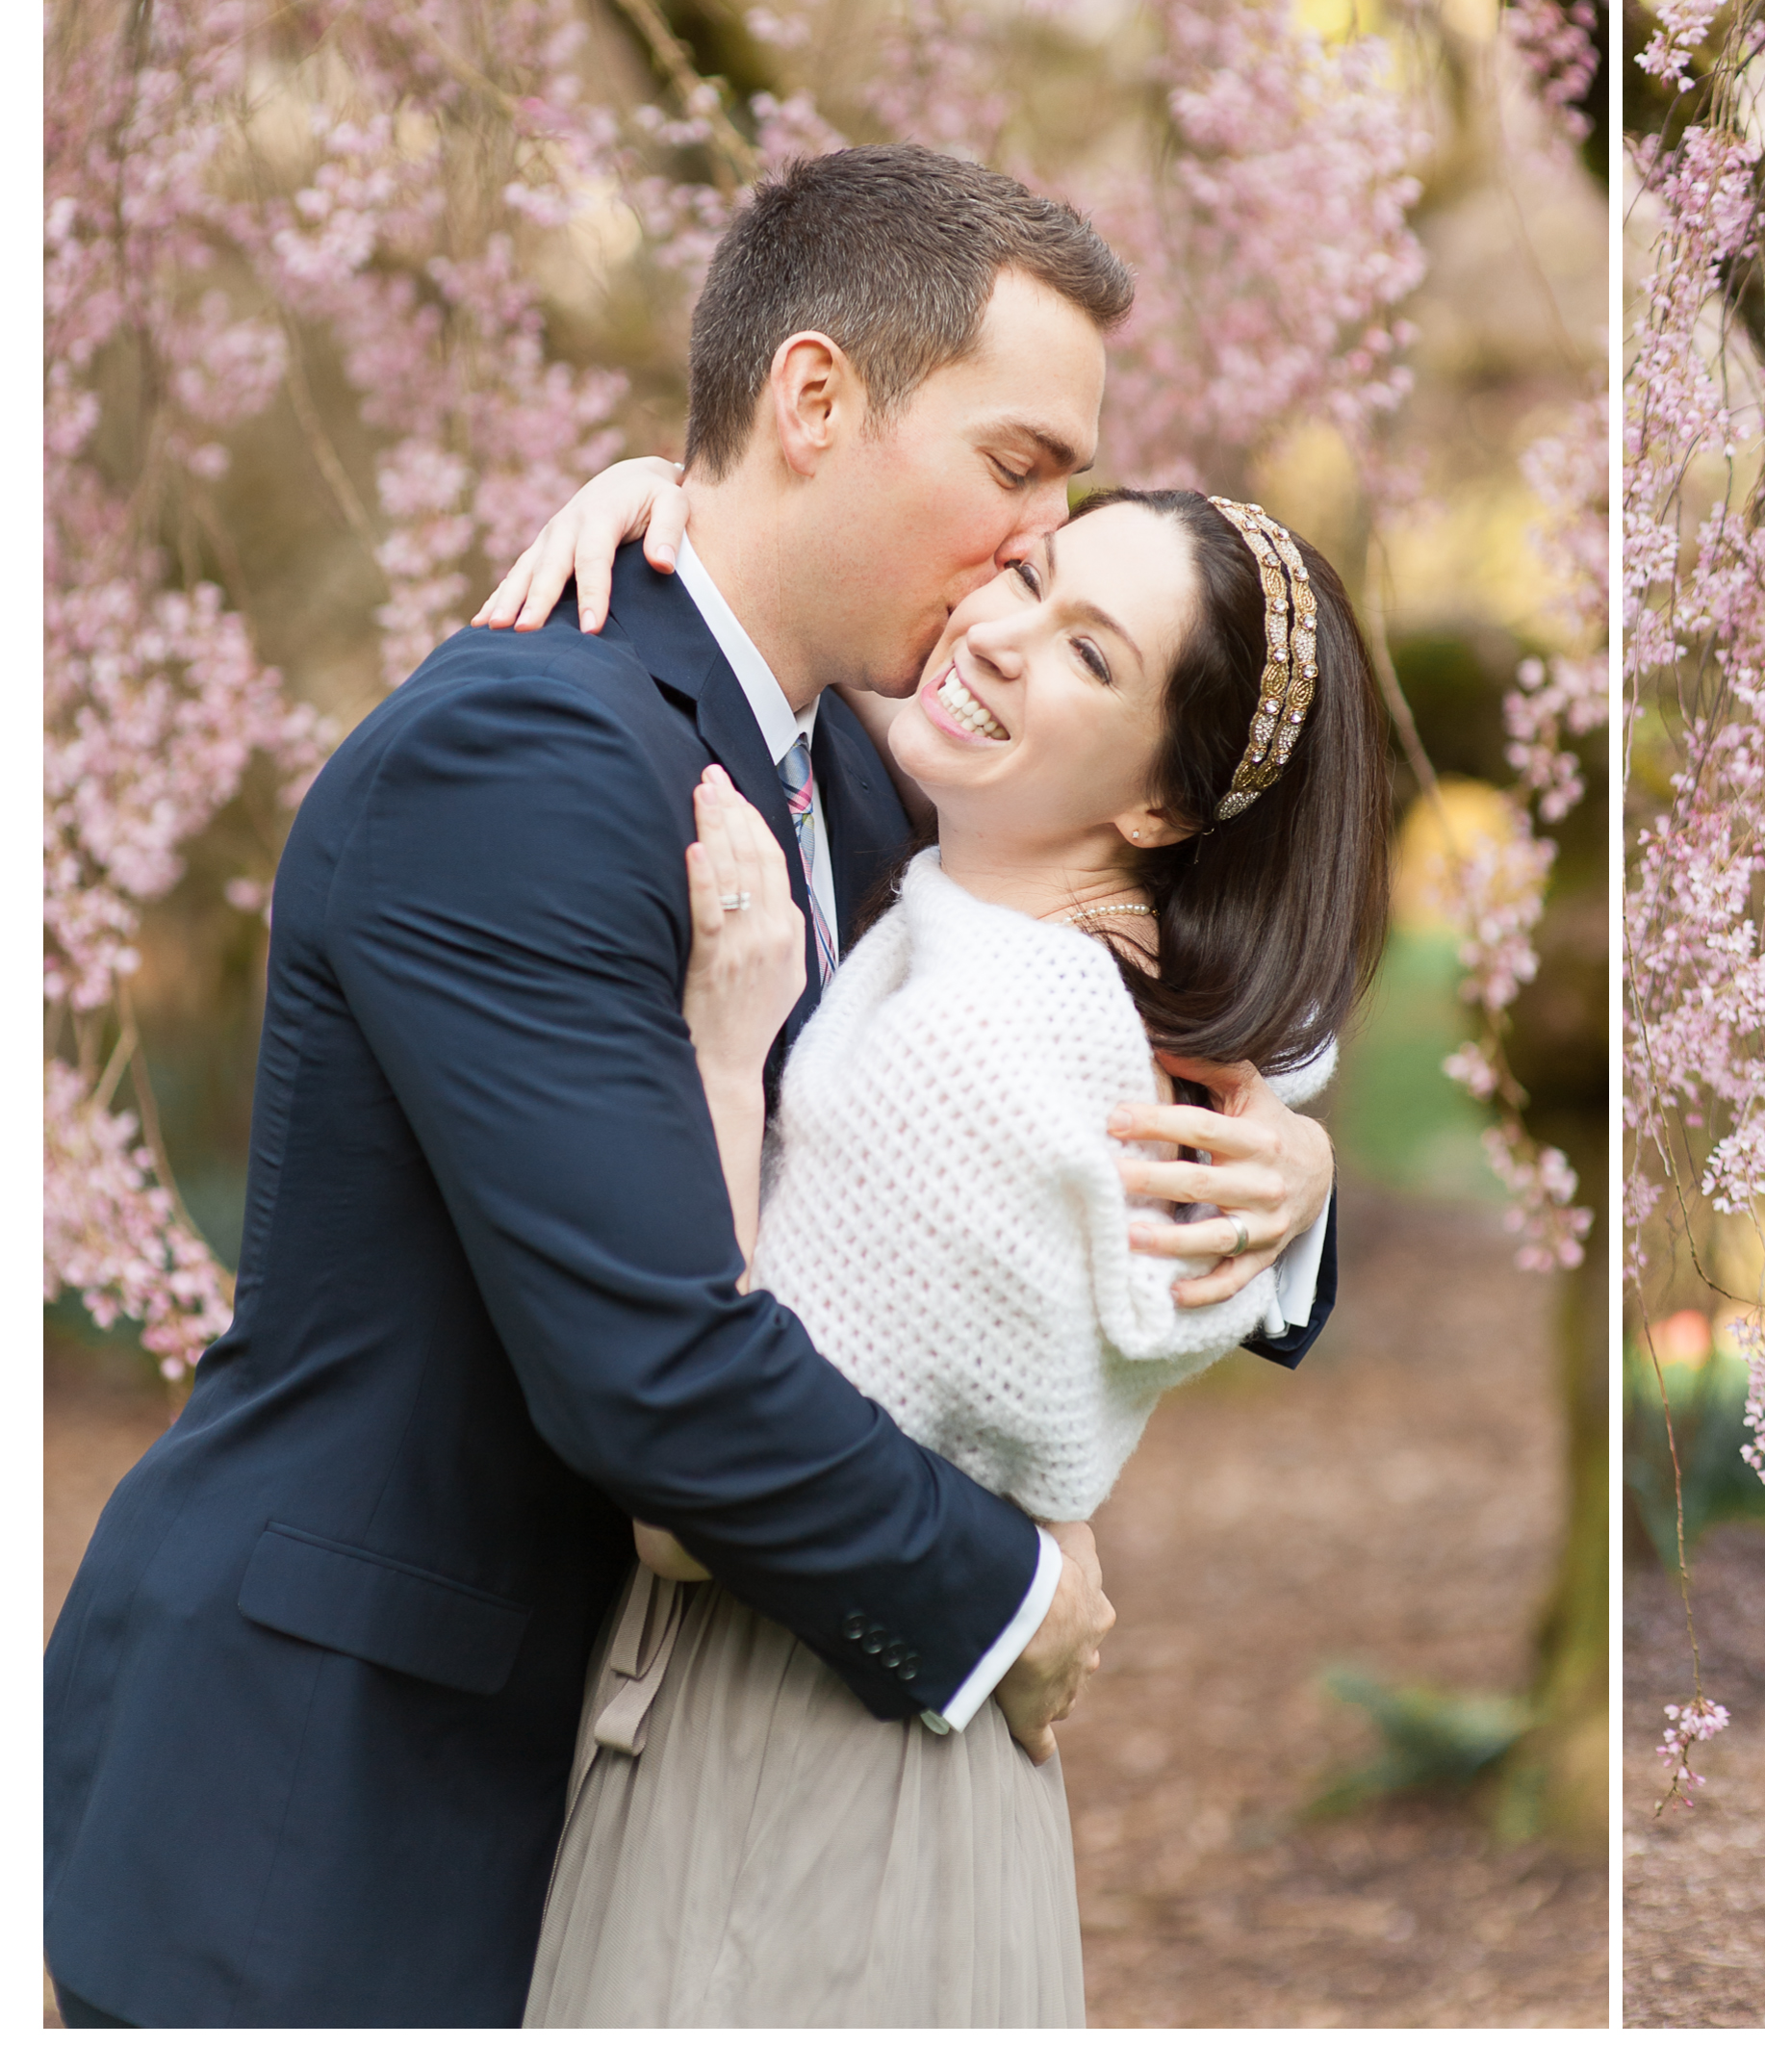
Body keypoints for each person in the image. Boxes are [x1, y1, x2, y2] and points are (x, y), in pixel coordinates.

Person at [41, 146, 1337, 2028]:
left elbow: (1113, 993)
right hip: (331, 1810)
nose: (1043, 542)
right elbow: (657, 1369)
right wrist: (1006, 1601)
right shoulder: (524, 759)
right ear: (816, 397)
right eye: (1017, 464)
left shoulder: (872, 778)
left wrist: (1283, 1175)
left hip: (621, 1793)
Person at [522, 485, 1387, 2024]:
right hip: (910, 1753)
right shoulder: (1062, 954)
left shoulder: (975, 1038)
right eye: (1033, 573)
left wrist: (728, 1050)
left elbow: (696, 1504)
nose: (995, 634)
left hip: (789, 1772)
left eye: (1088, 653)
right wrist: (690, 497)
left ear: (1165, 809)